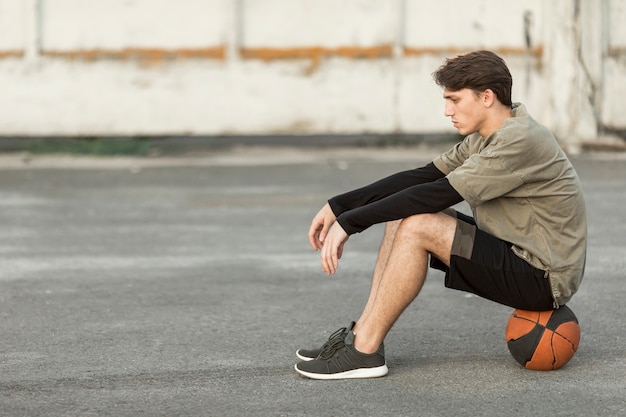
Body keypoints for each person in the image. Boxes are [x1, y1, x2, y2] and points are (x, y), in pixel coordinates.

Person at [294, 50, 587, 380]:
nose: (447, 111)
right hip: (513, 252)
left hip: (541, 276)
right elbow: (422, 177)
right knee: (403, 216)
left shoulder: (519, 140)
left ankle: (365, 353)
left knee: (419, 224)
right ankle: (360, 337)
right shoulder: (485, 137)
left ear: (486, 97)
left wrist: (352, 223)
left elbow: (438, 194)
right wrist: (339, 206)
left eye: (455, 100)